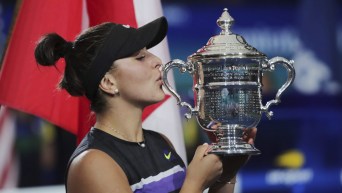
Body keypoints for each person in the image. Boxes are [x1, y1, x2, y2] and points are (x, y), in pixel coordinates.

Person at [34, 16, 256, 193]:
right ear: (108, 82)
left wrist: (226, 174)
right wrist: (195, 184)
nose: (157, 62)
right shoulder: (92, 164)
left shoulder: (160, 142)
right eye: (139, 57)